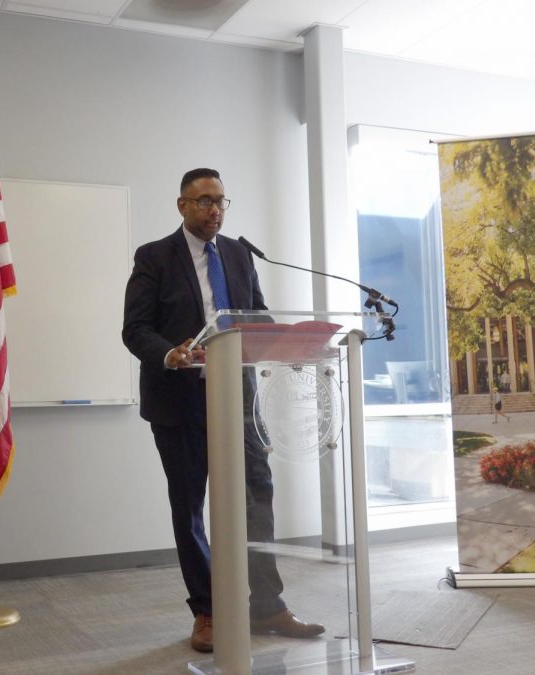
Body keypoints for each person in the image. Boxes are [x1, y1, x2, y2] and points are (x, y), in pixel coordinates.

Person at [122, 168, 325, 653]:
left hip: (240, 400)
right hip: (181, 401)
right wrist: (171, 354)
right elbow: (135, 328)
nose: (214, 210)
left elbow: (257, 316)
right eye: (204, 201)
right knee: (190, 508)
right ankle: (209, 610)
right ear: (182, 206)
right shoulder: (154, 257)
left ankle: (267, 606)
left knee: (257, 496)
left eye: (221, 201)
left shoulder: (237, 253)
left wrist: (286, 344)